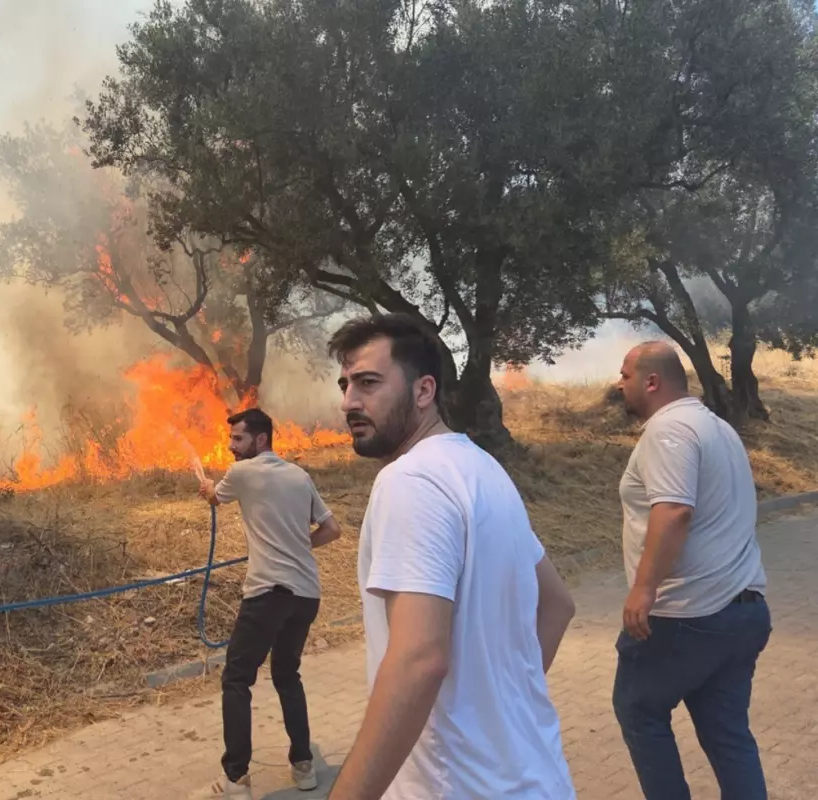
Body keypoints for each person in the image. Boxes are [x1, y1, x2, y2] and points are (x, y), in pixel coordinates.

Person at [325, 314, 578, 800]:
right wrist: (495, 711)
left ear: (424, 391)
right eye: (345, 384)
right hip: (536, 779)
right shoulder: (481, 468)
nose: (349, 401)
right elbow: (558, 604)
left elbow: (418, 659)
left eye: (369, 383)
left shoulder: (410, 481)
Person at [612, 342, 771, 800]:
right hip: (742, 610)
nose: (619, 383)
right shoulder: (717, 428)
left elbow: (675, 510)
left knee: (638, 709)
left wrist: (643, 589)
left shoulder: (668, 431)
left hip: (687, 616)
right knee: (728, 737)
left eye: (625, 375)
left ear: (652, 381)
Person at [197, 408, 343, 799]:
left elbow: (214, 498)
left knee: (237, 679)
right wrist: (298, 546)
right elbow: (332, 529)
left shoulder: (243, 474)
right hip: (306, 595)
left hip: (268, 594)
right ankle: (304, 765)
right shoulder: (299, 475)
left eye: (238, 439)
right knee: (286, 674)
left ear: (261, 440)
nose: (231, 447)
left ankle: (236, 779)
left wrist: (205, 486)